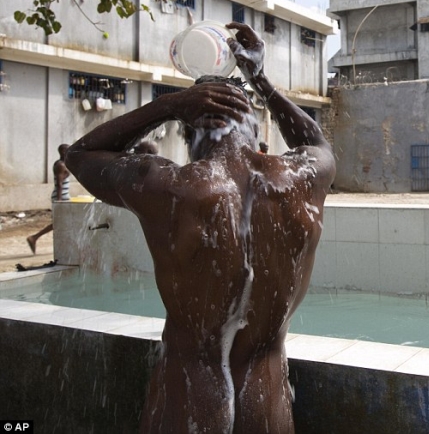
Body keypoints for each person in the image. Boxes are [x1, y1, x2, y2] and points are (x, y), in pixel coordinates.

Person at [66, 22, 335, 434]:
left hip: (188, 403)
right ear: (257, 131)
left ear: (190, 136)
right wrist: (259, 79)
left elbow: (82, 155)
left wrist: (168, 104)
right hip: (267, 408)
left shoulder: (171, 188)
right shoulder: (300, 181)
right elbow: (318, 142)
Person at [26, 144, 71, 253]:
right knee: (60, 221)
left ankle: (35, 238)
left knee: (63, 221)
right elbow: (60, 184)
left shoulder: (63, 164)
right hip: (61, 197)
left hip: (63, 196)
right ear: (62, 152)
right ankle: (34, 238)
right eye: (67, 151)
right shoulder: (60, 165)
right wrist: (59, 201)